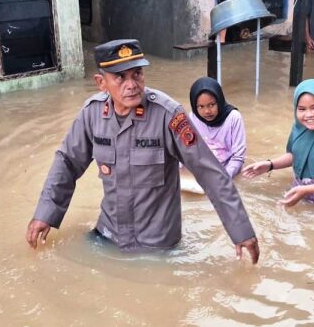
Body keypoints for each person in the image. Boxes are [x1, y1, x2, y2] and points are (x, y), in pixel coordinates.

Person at [26, 39, 260, 263]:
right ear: (101, 82)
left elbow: (209, 171)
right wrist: (45, 214)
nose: (132, 84)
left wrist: (240, 230)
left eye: (137, 74)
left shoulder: (168, 115)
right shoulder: (92, 114)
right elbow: (67, 162)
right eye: (120, 77)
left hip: (157, 245)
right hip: (108, 234)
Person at [242, 79, 314, 207]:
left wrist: (306, 190)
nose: (309, 115)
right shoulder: (299, 127)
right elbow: (294, 155)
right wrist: (270, 165)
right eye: (302, 109)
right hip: (299, 193)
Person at [184, 77, 246, 179]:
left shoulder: (234, 118)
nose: (207, 111)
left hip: (227, 171)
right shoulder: (193, 117)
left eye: (212, 105)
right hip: (202, 170)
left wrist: (223, 179)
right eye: (201, 107)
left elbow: (238, 158)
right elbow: (188, 149)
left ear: (219, 100)